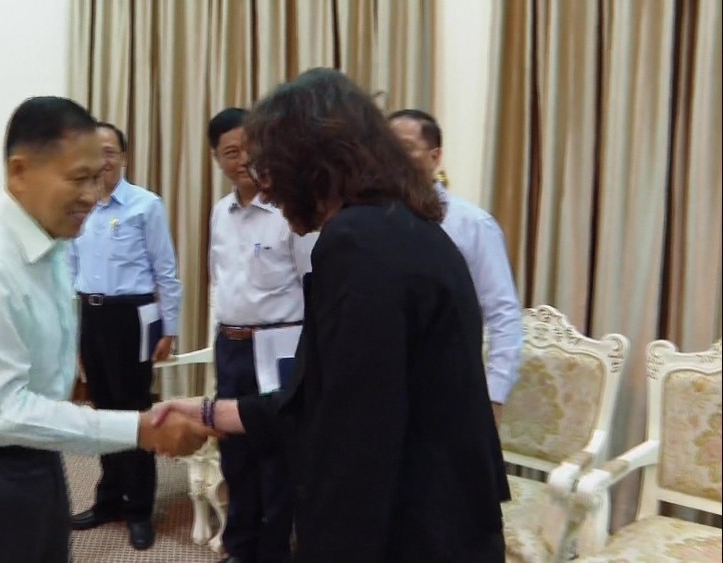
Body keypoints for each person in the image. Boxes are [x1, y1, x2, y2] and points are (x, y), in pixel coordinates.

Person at [155, 69, 510, 562]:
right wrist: (212, 413)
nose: (267, 190)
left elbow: (354, 437)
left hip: (409, 526)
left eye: (271, 169)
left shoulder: (356, 244)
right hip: (445, 512)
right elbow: (331, 397)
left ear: (311, 163)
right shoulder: (403, 224)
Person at [0, 96, 214, 563]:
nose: (93, 195)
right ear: (19, 172)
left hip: (35, 451)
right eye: (78, 179)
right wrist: (141, 429)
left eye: (98, 177)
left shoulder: (51, 243)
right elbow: (4, 411)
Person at [207, 107, 317, 563]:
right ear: (217, 158)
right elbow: (218, 281)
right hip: (230, 345)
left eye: (250, 148)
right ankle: (240, 547)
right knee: (234, 453)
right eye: (231, 152)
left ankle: (273, 553)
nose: (244, 160)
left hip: (278, 349)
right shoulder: (220, 212)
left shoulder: (289, 211)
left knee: (275, 456)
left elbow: (313, 285)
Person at [67, 121, 183, 550]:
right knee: (101, 412)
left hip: (133, 317)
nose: (103, 160)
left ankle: (139, 510)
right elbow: (70, 268)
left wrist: (169, 326)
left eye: (110, 151)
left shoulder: (144, 205)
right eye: (94, 152)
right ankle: (108, 500)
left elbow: (165, 270)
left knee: (134, 411)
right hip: (91, 316)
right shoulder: (78, 207)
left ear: (124, 157)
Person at [387, 109, 523, 421]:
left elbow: (502, 312)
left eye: (405, 148)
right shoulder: (370, 222)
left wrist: (495, 394)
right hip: (385, 387)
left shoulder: (472, 224)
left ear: (435, 157)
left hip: (449, 385)